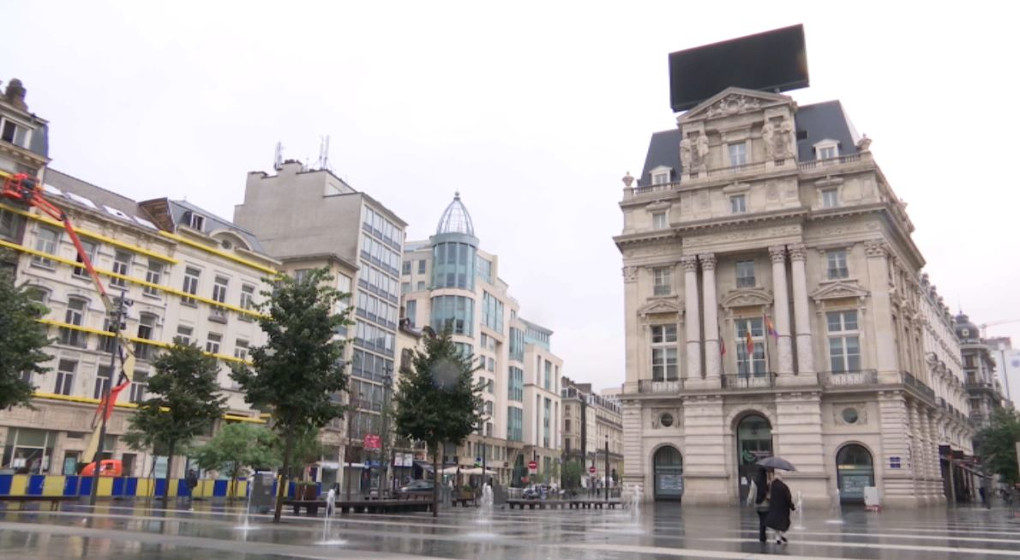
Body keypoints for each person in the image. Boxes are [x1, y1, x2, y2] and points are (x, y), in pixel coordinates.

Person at [765, 470, 794, 545]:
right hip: (783, 509)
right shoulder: (784, 486)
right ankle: (782, 534)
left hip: (774, 507)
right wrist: (792, 506)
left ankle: (777, 538)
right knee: (785, 523)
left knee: (776, 524)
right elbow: (788, 498)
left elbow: (767, 495)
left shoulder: (771, 486)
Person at [745, 467, 770, 543]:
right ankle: (763, 536)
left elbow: (751, 493)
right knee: (764, 521)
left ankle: (762, 537)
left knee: (761, 521)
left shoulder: (755, 481)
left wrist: (748, 502)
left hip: (758, 505)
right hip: (766, 505)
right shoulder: (767, 482)